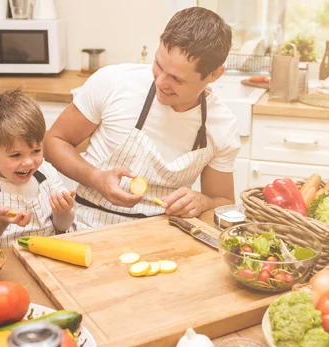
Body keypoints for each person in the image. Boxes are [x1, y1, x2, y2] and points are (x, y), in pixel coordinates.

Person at [44, 6, 240, 230]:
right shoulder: (114, 82)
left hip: (165, 237)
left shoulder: (221, 125)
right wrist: (97, 178)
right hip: (89, 228)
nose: (161, 82)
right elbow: (53, 142)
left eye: (177, 78)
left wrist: (203, 201)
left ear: (214, 74)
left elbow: (223, 203)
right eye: (158, 65)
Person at [0, 89, 75, 247]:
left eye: (35, 151)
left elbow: (63, 226)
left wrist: (62, 212)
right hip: (2, 263)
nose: (29, 163)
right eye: (16, 155)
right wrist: (0, 222)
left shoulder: (46, 172)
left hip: (47, 256)